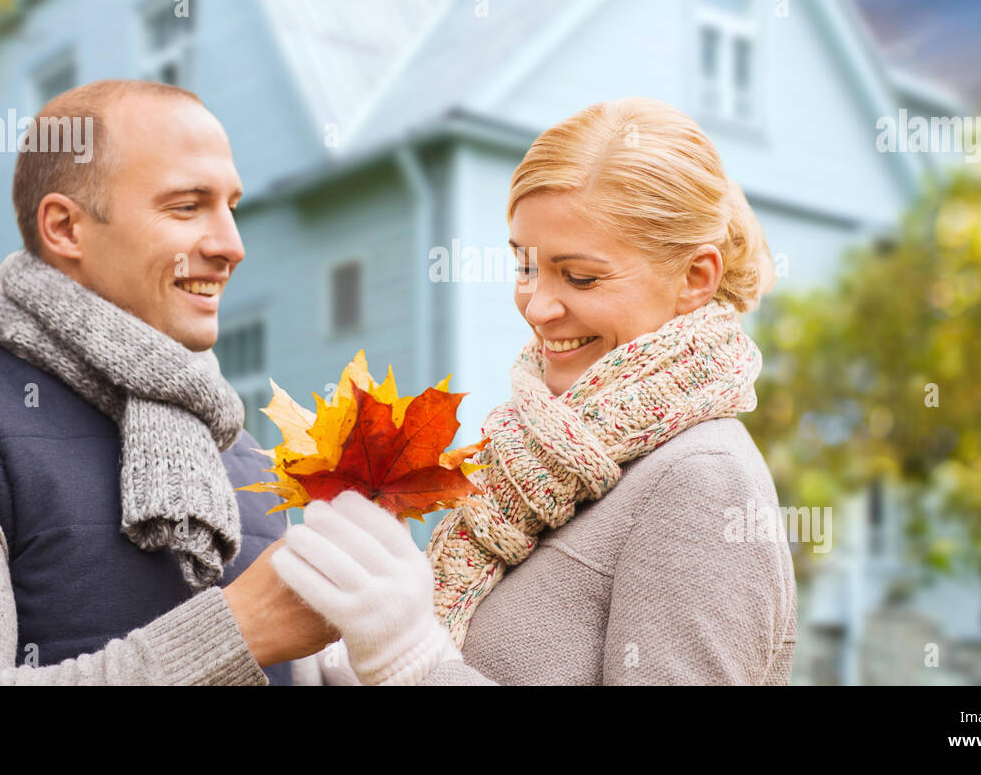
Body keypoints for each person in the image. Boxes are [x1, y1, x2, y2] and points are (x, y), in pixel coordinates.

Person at [274, 96, 797, 685]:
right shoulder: (530, 467)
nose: (539, 306)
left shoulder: (702, 480)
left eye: (580, 277)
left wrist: (411, 661)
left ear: (695, 278)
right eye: (525, 267)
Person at [0, 79, 336, 684]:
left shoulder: (245, 458)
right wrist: (235, 634)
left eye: (231, 206)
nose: (232, 245)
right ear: (66, 229)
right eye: (186, 206)